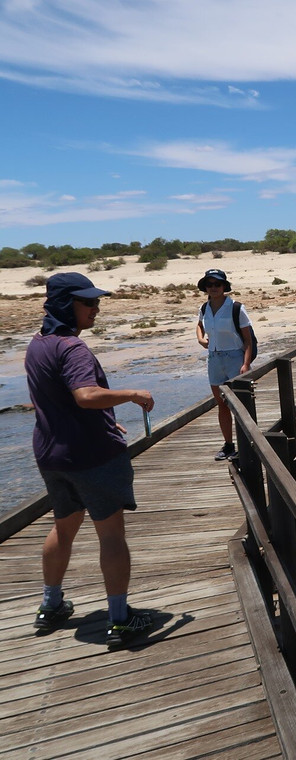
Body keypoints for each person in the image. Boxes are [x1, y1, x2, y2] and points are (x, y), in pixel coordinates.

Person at [25, 273, 155, 647]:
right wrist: (132, 394)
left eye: (97, 302)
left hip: (52, 456)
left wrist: (106, 419)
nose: (96, 308)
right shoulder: (73, 348)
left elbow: (54, 397)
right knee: (111, 534)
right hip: (92, 457)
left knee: (63, 526)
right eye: (88, 302)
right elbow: (84, 395)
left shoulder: (38, 343)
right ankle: (120, 619)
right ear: (66, 305)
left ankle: (51, 605)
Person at [196, 268, 254, 461]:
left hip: (234, 358)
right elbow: (200, 325)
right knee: (221, 404)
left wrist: (245, 364)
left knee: (241, 405)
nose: (213, 288)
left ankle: (248, 444)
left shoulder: (236, 308)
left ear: (224, 286)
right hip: (214, 359)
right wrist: (200, 339)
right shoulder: (204, 308)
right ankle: (229, 445)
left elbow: (248, 340)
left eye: (217, 284)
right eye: (209, 284)